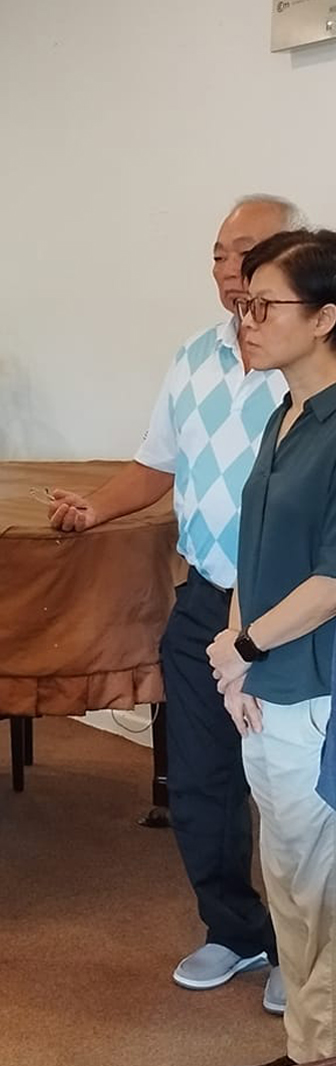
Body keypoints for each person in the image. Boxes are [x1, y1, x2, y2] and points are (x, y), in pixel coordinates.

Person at [49, 196, 305, 1012]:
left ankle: (303, 954)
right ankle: (235, 930)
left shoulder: (310, 364)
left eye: (247, 252)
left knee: (293, 789)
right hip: (204, 600)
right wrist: (94, 508)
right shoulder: (194, 357)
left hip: (292, 614)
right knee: (201, 780)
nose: (230, 269)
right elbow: (156, 465)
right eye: (220, 254)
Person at [204, 229, 336, 1066]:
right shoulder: (280, 415)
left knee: (321, 889)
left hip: (315, 687)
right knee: (287, 878)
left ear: (325, 317)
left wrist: (247, 648)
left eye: (263, 305)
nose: (245, 320)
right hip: (261, 682)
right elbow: (250, 548)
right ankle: (307, 1045)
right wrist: (234, 654)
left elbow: (332, 580)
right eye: (243, 305)